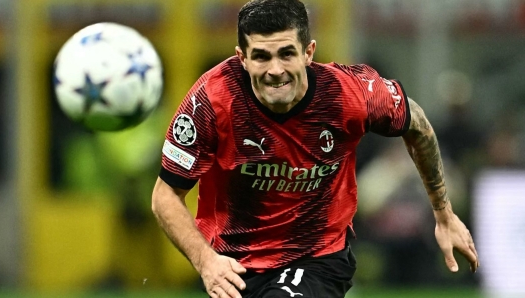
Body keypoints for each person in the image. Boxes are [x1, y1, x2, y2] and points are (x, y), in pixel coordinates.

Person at [151, 0, 479, 297]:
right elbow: (165, 196)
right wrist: (206, 261)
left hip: (318, 257)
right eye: (261, 57)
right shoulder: (211, 101)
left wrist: (443, 214)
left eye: (287, 54)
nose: (275, 70)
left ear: (308, 52)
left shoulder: (350, 94)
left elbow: (417, 125)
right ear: (243, 58)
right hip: (231, 264)